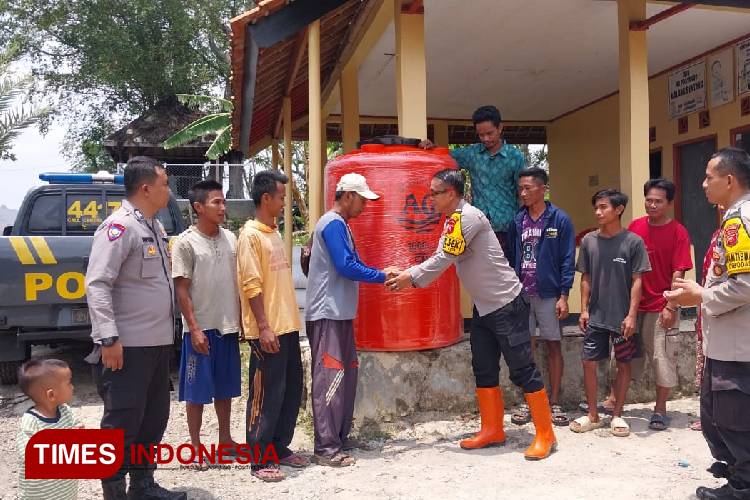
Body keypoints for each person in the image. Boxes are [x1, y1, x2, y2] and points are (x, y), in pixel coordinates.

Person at [386, 169, 557, 460]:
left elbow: (444, 258)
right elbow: (444, 254)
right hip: (484, 307)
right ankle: (492, 430)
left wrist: (409, 277)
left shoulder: (468, 217)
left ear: (451, 193)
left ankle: (545, 434)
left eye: (435, 193)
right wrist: (409, 274)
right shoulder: (453, 219)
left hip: (506, 304)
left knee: (522, 370)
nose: (431, 198)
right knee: (483, 368)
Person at [85, 156, 185, 500]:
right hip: (126, 348)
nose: (167, 190)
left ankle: (142, 487)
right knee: (121, 425)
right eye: (164, 184)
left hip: (156, 346)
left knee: (153, 419)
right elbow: (98, 284)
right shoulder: (120, 227)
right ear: (146, 188)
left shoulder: (154, 227)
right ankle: (114, 494)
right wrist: (107, 337)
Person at [666, 148, 750, 500]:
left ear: (729, 180)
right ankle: (736, 475)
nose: (702, 184)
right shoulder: (736, 216)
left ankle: (742, 486)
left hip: (737, 344)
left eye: (708, 177)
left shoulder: (738, 221)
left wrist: (700, 296)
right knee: (721, 414)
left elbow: (745, 283)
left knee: (733, 417)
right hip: (729, 340)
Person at [306, 173, 389, 467]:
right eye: (363, 199)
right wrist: (382, 276)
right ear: (349, 196)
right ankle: (326, 446)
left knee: (345, 377)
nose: (365, 206)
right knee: (330, 380)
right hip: (327, 312)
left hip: (339, 312)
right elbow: (346, 266)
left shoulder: (339, 225)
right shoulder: (332, 224)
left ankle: (339, 438)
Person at [238, 170, 309, 482]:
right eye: (281, 197)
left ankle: (279, 447)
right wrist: (264, 327)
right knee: (264, 396)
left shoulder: (273, 233)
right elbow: (251, 286)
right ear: (266, 198)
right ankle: (258, 458)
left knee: (290, 390)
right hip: (267, 330)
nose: (284, 203)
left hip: (288, 327)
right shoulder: (250, 236)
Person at [171, 180, 241, 469]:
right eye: (216, 202)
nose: (222, 207)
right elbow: (181, 289)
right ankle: (196, 445)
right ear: (198, 207)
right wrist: (194, 328)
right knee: (197, 391)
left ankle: (225, 440)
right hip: (200, 329)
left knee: (225, 389)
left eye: (223, 202)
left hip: (228, 326)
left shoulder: (232, 239)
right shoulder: (185, 242)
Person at [570, 189, 651, 438]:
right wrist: (583, 310)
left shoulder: (633, 242)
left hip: (621, 318)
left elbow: (638, 281)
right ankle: (593, 415)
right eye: (596, 207)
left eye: (603, 207)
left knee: (624, 364)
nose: (598, 212)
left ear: (619, 209)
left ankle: (617, 415)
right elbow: (586, 276)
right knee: (588, 362)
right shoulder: (589, 242)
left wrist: (631, 315)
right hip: (595, 316)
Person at [507, 167, 576, 426]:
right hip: (523, 294)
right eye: (520, 188)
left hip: (549, 295)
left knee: (553, 345)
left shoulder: (559, 220)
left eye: (528, 188)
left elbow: (568, 259)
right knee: (527, 349)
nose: (523, 193)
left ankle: (555, 402)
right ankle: (530, 401)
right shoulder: (518, 220)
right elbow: (513, 257)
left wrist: (564, 295)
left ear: (543, 189)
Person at [626, 178, 693, 431]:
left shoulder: (678, 232)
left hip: (661, 305)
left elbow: (679, 273)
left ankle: (660, 408)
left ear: (669, 203)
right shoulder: (635, 227)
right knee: (624, 356)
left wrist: (671, 306)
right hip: (633, 305)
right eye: (649, 200)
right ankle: (614, 400)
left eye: (658, 201)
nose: (652, 205)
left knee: (662, 357)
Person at [420, 105, 526, 255]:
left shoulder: (515, 157)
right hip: (478, 227)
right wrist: (432, 147)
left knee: (506, 273)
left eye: (489, 133)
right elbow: (446, 157)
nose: (486, 139)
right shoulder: (472, 154)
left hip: (508, 228)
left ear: (500, 128)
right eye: (481, 135)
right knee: (480, 273)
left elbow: (522, 192)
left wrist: (523, 225)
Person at [17, 359, 81, 500]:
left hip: (66, 491)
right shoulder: (31, 422)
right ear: (51, 395)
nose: (73, 387)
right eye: (69, 383)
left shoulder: (66, 412)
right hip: (39, 495)